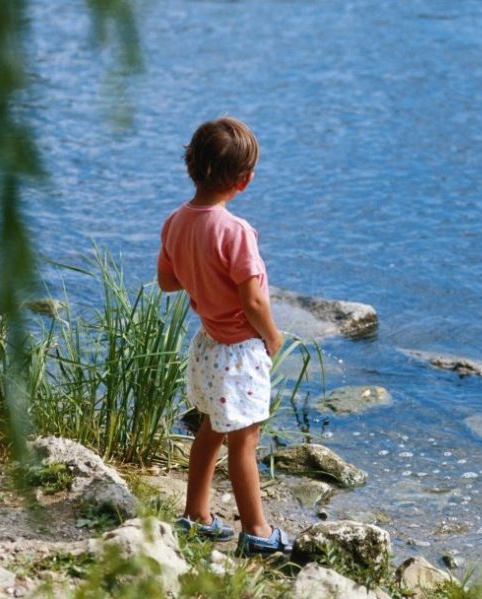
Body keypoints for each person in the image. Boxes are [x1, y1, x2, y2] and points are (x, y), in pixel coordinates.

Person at [155, 116, 291, 556]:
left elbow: (167, 282)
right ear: (244, 181)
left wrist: (201, 274)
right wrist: (273, 336)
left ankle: (196, 515)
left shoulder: (176, 221)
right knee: (244, 442)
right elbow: (252, 301)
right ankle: (257, 531)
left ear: (190, 166)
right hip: (240, 351)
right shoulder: (236, 232)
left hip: (208, 345)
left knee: (210, 429)